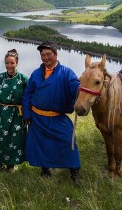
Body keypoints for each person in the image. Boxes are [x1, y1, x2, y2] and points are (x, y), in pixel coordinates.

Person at [22, 41, 81, 185]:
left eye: (48, 54)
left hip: (57, 118)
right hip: (37, 118)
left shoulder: (67, 73)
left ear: (55, 54)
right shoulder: (36, 73)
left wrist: (81, 90)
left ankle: (74, 172)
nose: (45, 57)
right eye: (43, 55)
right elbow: (27, 95)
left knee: (69, 141)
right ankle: (45, 170)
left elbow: (76, 88)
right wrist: (27, 114)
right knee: (41, 145)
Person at [0, 49, 28, 173]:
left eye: (12, 63)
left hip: (17, 114)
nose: (9, 66)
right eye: (7, 63)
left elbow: (28, 97)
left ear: (17, 63)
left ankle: (11, 165)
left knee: (15, 139)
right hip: (1, 113)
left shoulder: (23, 79)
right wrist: (1, 108)